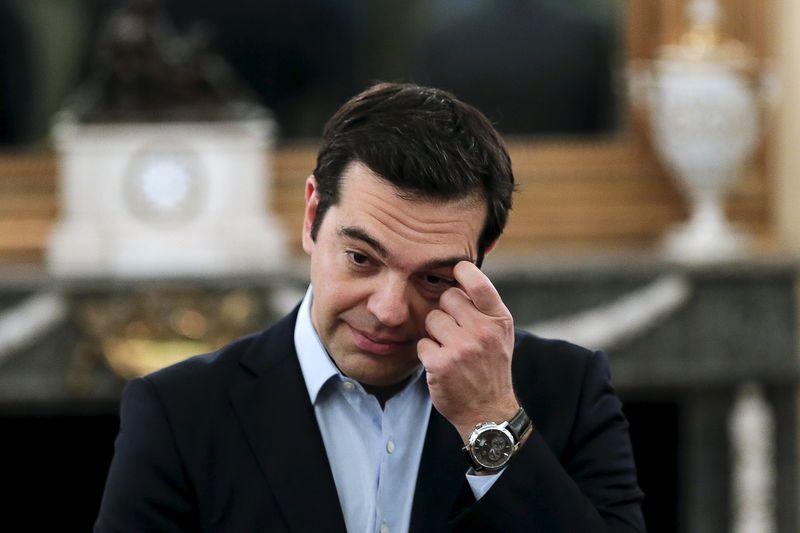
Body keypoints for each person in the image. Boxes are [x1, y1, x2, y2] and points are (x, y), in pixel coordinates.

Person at [95, 82, 644, 532]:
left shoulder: (567, 390)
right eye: (361, 258)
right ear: (312, 215)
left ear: (483, 259)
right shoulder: (178, 413)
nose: (388, 310)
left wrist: (490, 422)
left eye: (433, 277)